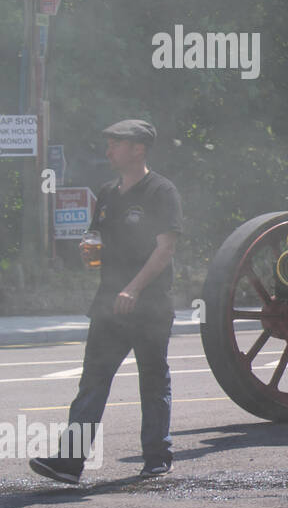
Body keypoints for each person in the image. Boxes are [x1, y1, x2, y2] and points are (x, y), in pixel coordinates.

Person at [29, 120, 183, 483]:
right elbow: (97, 237)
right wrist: (89, 249)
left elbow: (165, 250)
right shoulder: (109, 192)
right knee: (92, 381)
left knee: (153, 380)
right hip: (108, 305)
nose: (109, 150)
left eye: (116, 143)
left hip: (149, 306)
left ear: (138, 149)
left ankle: (157, 457)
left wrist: (133, 289)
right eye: (110, 143)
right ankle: (69, 462)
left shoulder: (161, 191)